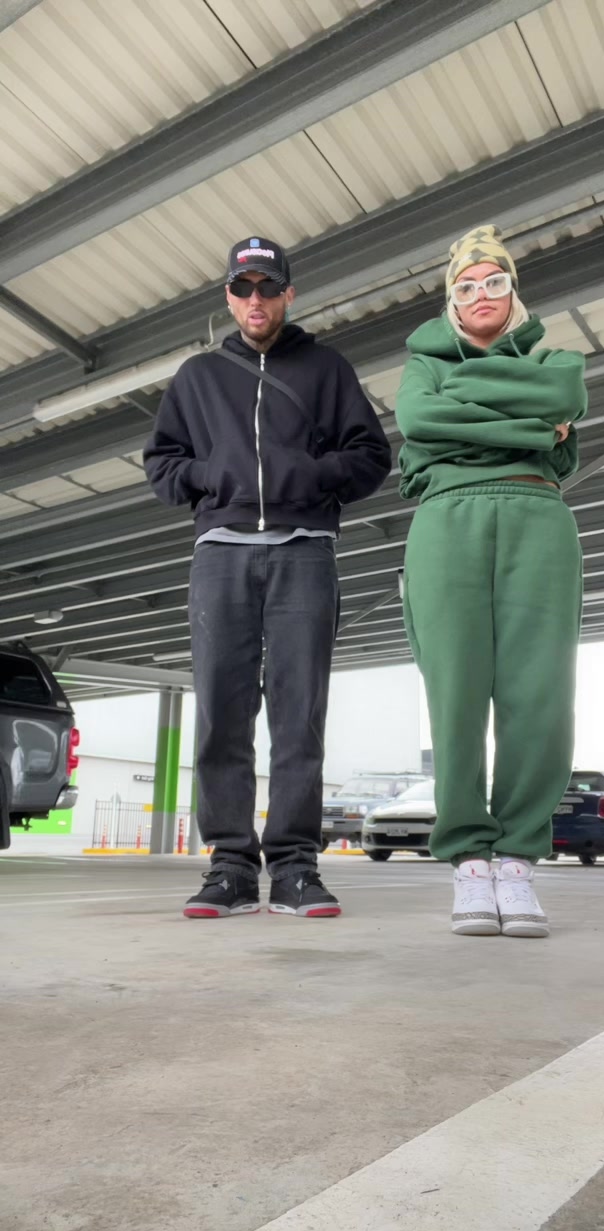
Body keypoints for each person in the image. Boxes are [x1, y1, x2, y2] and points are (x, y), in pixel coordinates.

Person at [144, 237, 391, 920]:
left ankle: (294, 867)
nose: (256, 300)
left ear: (288, 294)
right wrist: (210, 475)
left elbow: (371, 455)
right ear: (229, 297)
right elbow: (162, 464)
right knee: (221, 711)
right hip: (221, 554)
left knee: (298, 712)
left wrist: (308, 475)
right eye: (243, 288)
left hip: (304, 551)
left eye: (268, 287)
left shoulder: (327, 369)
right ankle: (229, 866)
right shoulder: (198, 377)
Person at [395, 225, 587, 938]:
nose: (481, 294)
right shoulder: (423, 367)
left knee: (541, 692)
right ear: (452, 299)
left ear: (513, 292)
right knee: (456, 690)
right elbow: (419, 418)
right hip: (446, 521)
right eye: (467, 286)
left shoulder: (556, 361)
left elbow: (563, 392)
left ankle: (517, 859)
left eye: (495, 282)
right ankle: (470, 861)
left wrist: (469, 415)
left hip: (539, 517)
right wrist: (534, 428)